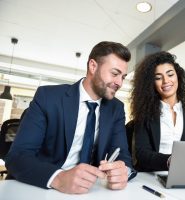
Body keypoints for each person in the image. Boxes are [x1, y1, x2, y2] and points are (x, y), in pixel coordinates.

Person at [5, 41, 136, 194]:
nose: (119, 83)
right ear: (93, 66)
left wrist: (123, 171)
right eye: (114, 74)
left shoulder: (116, 108)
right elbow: (18, 157)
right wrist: (59, 178)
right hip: (41, 187)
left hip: (88, 191)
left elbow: (122, 155)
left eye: (123, 77)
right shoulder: (48, 97)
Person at [130, 51, 185, 172]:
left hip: (184, 176)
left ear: (178, 76)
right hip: (150, 178)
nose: (165, 81)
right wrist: (169, 161)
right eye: (158, 77)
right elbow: (142, 154)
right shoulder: (144, 114)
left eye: (170, 74)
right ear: (151, 83)